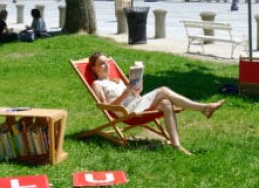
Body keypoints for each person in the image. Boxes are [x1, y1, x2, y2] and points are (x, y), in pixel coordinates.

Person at [87, 52, 226, 155]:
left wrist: (137, 88)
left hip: (134, 103)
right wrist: (124, 95)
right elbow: (104, 106)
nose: (107, 66)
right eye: (102, 63)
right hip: (125, 110)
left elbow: (134, 94)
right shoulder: (97, 84)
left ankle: (176, 145)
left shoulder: (116, 80)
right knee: (164, 90)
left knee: (166, 103)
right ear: (94, 68)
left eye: (107, 62)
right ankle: (204, 108)